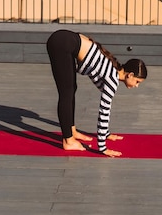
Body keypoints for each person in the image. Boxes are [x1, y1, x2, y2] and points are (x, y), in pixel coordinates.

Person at [46, 29, 147, 157]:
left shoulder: (113, 69)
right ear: (130, 75)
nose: (137, 86)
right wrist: (103, 147)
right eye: (137, 81)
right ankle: (68, 140)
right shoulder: (112, 78)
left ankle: (71, 131)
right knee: (66, 92)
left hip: (65, 40)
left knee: (71, 88)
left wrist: (106, 134)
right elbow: (104, 112)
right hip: (61, 43)